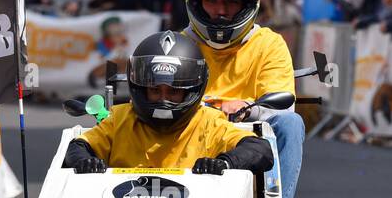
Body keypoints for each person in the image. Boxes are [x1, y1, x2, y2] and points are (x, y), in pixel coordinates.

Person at [182, 0, 304, 198]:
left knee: (291, 125)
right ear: (196, 1)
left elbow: (282, 106)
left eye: (231, 1)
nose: (221, 11)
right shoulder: (179, 44)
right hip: (190, 136)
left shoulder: (269, 43)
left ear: (248, 3)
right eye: (211, 0)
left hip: (249, 139)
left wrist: (247, 108)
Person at [62, 30, 273, 176]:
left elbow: (260, 149)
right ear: (140, 88)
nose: (163, 98)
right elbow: (78, 147)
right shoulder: (119, 118)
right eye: (155, 90)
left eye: (173, 91)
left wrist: (224, 163)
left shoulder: (209, 122)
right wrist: (85, 162)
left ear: (191, 90)